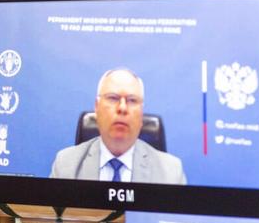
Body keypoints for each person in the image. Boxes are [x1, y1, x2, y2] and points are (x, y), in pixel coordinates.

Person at [49, 68, 186, 184]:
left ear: (141, 113)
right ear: (97, 107)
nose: (122, 108)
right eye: (113, 98)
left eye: (132, 100)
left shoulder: (171, 173)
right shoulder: (66, 166)